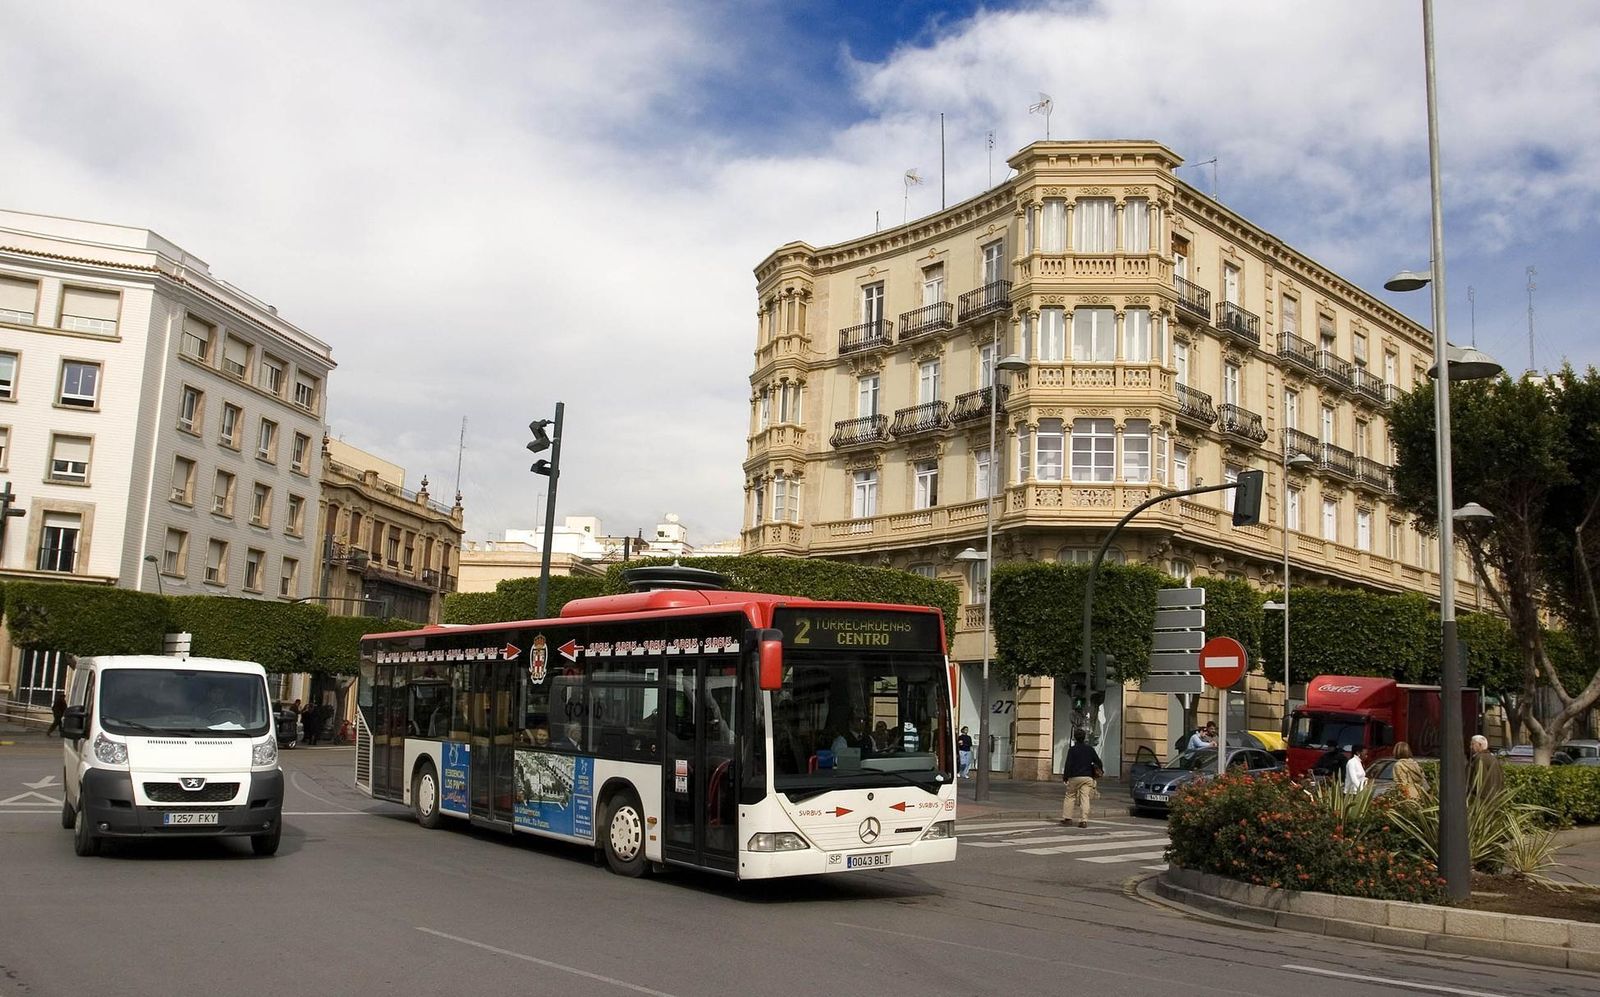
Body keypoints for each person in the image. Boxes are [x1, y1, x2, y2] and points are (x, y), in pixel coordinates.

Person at [1061, 729, 1103, 828]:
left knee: (1070, 796)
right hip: (1087, 777)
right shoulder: (1090, 749)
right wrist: (1099, 771)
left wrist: (1065, 777)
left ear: (1075, 738)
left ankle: (1068, 818)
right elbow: (1098, 762)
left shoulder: (1072, 750)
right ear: (1084, 738)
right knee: (1085, 798)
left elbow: (1068, 764)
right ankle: (1084, 820)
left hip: (1074, 777)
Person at [1468, 734, 1504, 800]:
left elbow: (1477, 781)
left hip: (1482, 801)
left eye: (1472, 744)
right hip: (1494, 800)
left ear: (1479, 745)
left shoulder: (1480, 759)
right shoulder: (1493, 758)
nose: (1471, 747)